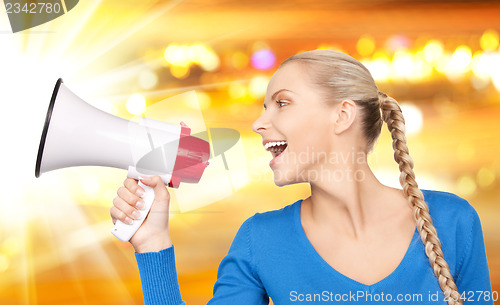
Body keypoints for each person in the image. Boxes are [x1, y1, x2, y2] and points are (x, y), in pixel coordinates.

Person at [110, 50, 493, 305]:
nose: (260, 123)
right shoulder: (259, 241)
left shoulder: (454, 222)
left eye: (282, 102)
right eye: (264, 107)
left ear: (341, 116)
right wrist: (153, 244)